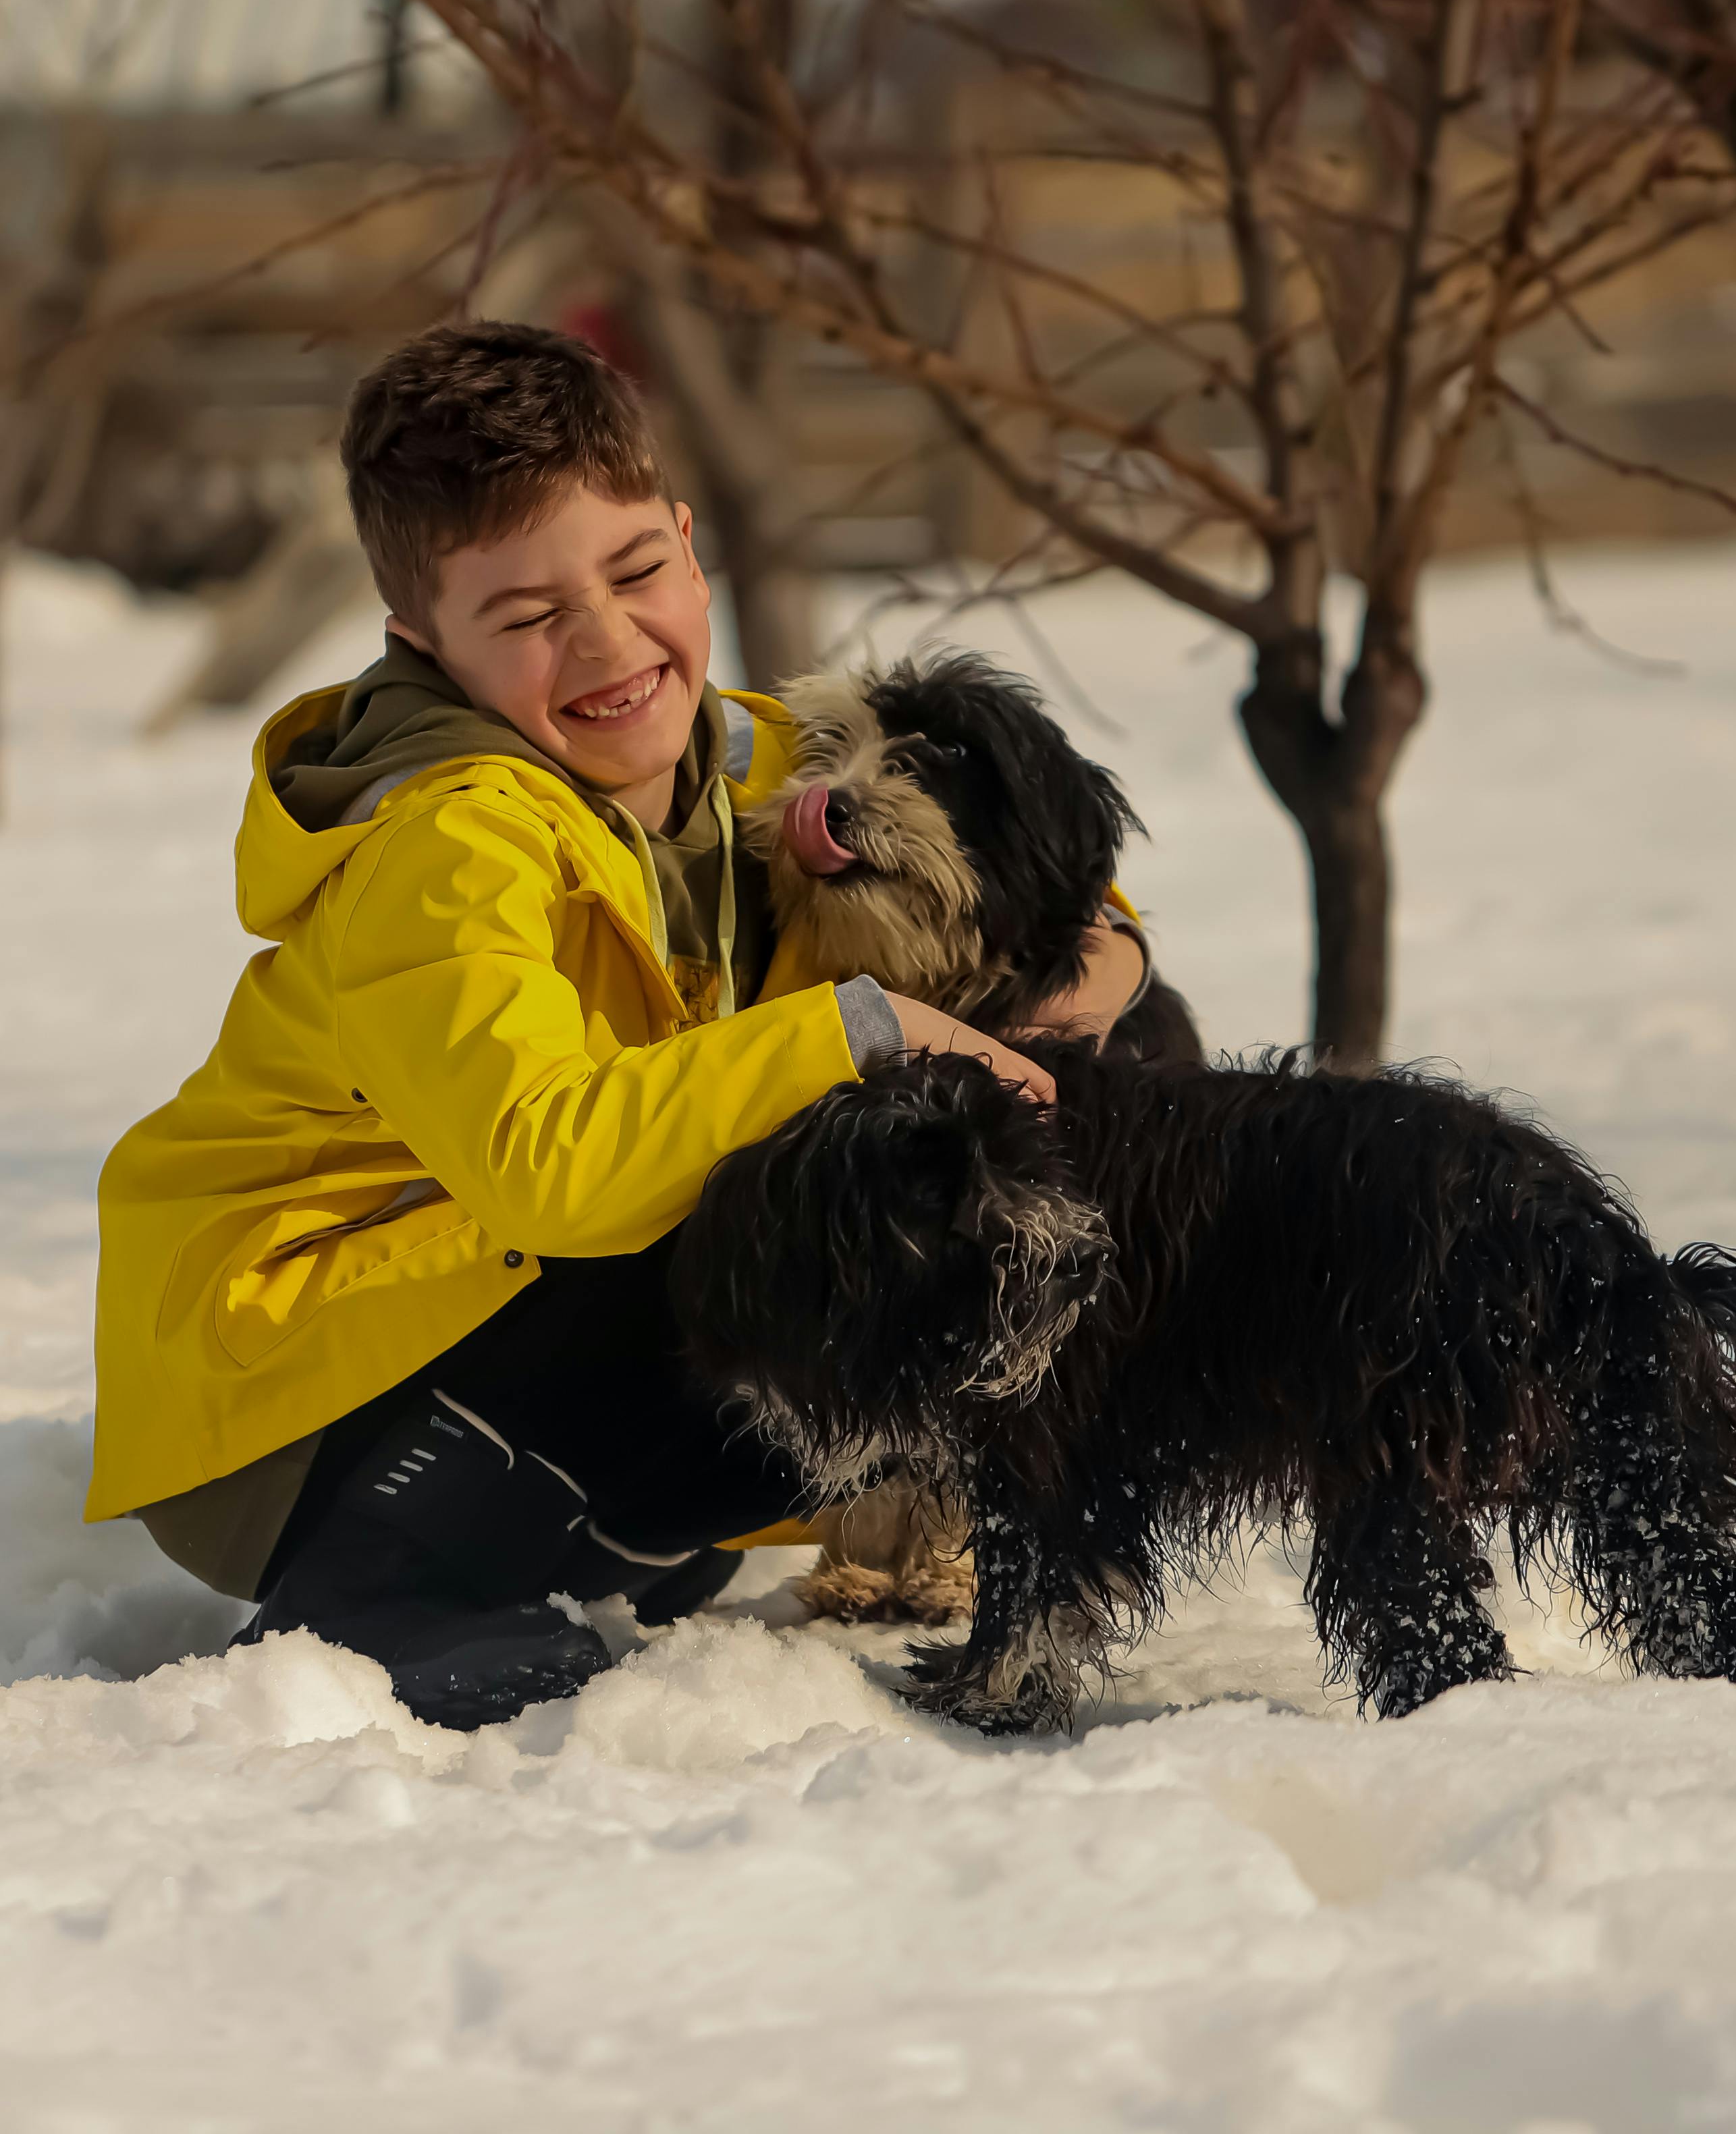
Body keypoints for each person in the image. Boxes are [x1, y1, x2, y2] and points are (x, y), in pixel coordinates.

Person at [86, 321, 1143, 1728]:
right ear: (424, 641)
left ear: (688, 542)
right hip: (291, 1402)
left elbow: (1044, 869)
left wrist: (1094, 971)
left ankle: (597, 1538)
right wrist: (861, 1031)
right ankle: (388, 1589)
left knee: (916, 1189)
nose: (608, 644)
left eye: (638, 570)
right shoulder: (448, 845)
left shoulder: (745, 757)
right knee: (783, 1176)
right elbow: (549, 1165)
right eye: (526, 619)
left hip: (486, 1338)